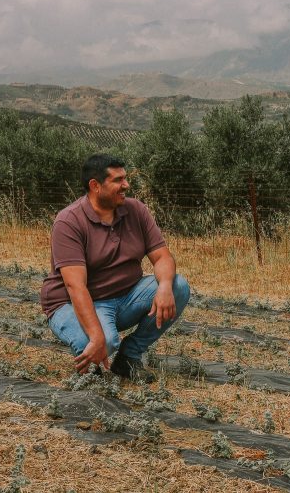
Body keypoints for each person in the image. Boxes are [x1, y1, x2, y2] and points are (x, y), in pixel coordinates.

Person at [40, 153, 191, 379]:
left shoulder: (136, 210)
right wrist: (98, 337)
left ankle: (129, 357)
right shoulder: (69, 221)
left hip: (125, 297)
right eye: (118, 180)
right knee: (104, 343)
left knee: (178, 286)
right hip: (75, 303)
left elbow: (162, 258)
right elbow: (75, 287)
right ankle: (93, 365)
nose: (126, 185)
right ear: (95, 186)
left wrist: (164, 286)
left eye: (125, 178)